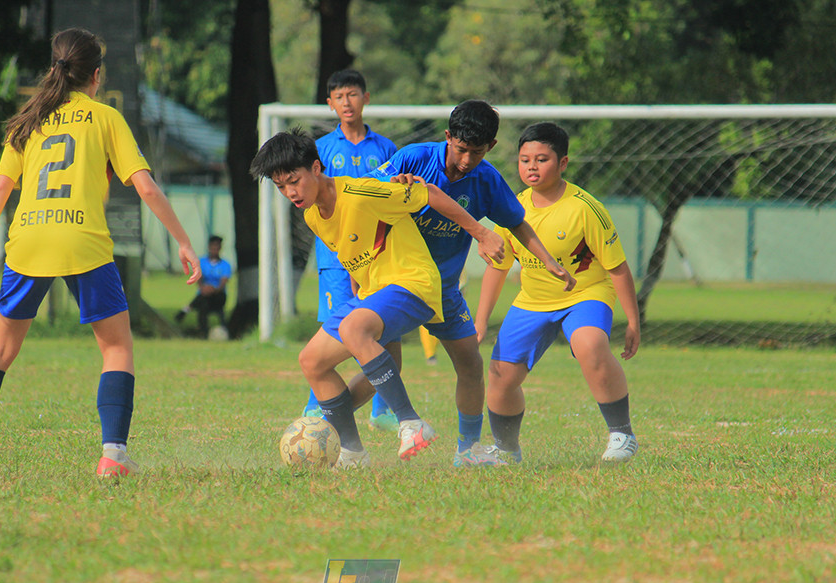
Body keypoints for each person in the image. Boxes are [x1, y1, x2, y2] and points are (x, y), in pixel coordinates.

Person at [0, 28, 201, 478]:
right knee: (116, 348)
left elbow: (0, 187)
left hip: (28, 240)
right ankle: (113, 457)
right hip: (83, 241)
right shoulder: (105, 117)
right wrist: (184, 241)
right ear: (96, 75)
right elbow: (146, 187)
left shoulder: (27, 121)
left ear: (54, 69)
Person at [249, 128, 507, 468]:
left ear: (315, 167)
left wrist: (482, 233)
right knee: (312, 361)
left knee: (358, 330)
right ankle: (353, 453)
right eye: (281, 187)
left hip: (412, 283)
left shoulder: (359, 193)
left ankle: (411, 422)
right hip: (374, 294)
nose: (290, 192)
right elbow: (353, 250)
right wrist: (359, 290)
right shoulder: (312, 214)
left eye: (293, 181)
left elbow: (427, 192)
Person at [361, 100, 575, 467]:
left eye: (476, 152)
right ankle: (325, 416)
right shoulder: (413, 158)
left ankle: (467, 450)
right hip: (396, 284)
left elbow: (517, 221)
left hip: (443, 290)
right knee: (379, 362)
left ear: (490, 147)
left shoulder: (487, 178)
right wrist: (393, 186)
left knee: (471, 366)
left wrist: (549, 260)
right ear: (448, 137)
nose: (465, 160)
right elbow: (367, 197)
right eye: (460, 149)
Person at [474, 121, 640, 464]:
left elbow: (618, 268)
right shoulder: (511, 209)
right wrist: (480, 321)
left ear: (562, 163)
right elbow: (498, 266)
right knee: (500, 377)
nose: (531, 167)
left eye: (541, 159)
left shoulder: (585, 208)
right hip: (533, 301)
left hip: (585, 294)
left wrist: (633, 323)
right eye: (524, 160)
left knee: (590, 344)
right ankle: (506, 450)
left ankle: (622, 435)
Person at [302, 69, 399, 432]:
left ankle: (382, 409)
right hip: (335, 260)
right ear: (330, 104)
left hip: (376, 257)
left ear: (366, 98)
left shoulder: (386, 149)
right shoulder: (322, 150)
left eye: (353, 94)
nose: (347, 102)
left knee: (377, 328)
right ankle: (316, 407)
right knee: (337, 329)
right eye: (339, 96)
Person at [176, 234, 232, 337]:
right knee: (204, 303)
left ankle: (187, 308)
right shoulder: (201, 262)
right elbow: (198, 278)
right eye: (213, 246)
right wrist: (203, 288)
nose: (215, 249)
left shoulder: (225, 265)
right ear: (209, 247)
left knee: (204, 298)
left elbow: (223, 283)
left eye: (217, 246)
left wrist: (212, 289)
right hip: (203, 294)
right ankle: (203, 331)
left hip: (218, 295)